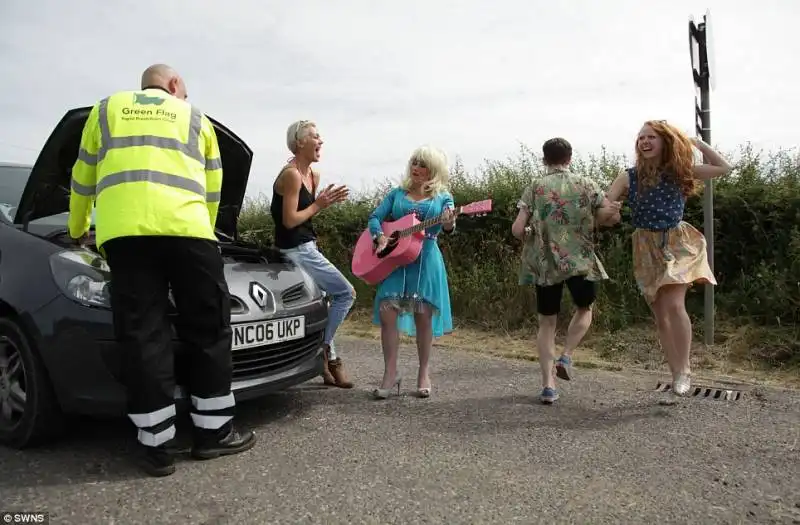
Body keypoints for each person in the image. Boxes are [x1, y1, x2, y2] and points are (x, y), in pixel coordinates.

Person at [67, 64, 255, 477]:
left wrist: (79, 228)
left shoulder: (104, 111)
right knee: (208, 327)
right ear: (173, 86)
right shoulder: (195, 117)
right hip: (189, 231)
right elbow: (213, 185)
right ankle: (213, 434)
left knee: (143, 332)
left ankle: (156, 447)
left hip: (126, 236)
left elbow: (82, 178)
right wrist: (204, 229)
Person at [605, 120, 732, 397]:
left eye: (651, 137)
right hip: (645, 245)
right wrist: (610, 211)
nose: (644, 142)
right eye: (641, 138)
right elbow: (605, 207)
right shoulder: (628, 176)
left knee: (675, 305)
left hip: (678, 242)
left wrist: (696, 143)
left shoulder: (679, 171)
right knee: (660, 314)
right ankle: (676, 371)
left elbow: (724, 168)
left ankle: (685, 368)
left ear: (665, 142)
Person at [511, 138, 621, 404]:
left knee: (547, 323)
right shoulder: (586, 184)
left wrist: (530, 234)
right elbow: (610, 217)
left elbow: (516, 230)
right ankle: (567, 355)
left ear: (544, 159)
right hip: (580, 260)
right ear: (570, 158)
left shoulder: (534, 187)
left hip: (546, 263)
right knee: (585, 309)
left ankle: (548, 386)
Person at [269, 120, 355, 388]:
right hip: (295, 250)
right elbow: (290, 221)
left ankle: (327, 362)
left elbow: (306, 218)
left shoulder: (313, 176)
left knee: (325, 303)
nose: (321, 141)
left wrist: (319, 204)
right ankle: (326, 352)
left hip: (307, 247)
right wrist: (320, 204)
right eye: (315, 137)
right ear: (299, 143)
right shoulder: (291, 175)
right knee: (346, 293)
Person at [366, 145, 456, 399]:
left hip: (426, 260)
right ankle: (390, 373)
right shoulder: (397, 194)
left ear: (434, 170)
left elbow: (449, 226)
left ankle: (423, 372)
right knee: (387, 311)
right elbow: (375, 217)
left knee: (423, 316)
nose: (417, 168)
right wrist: (380, 236)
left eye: (423, 164)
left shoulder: (443, 197)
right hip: (395, 261)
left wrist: (449, 222)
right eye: (414, 163)